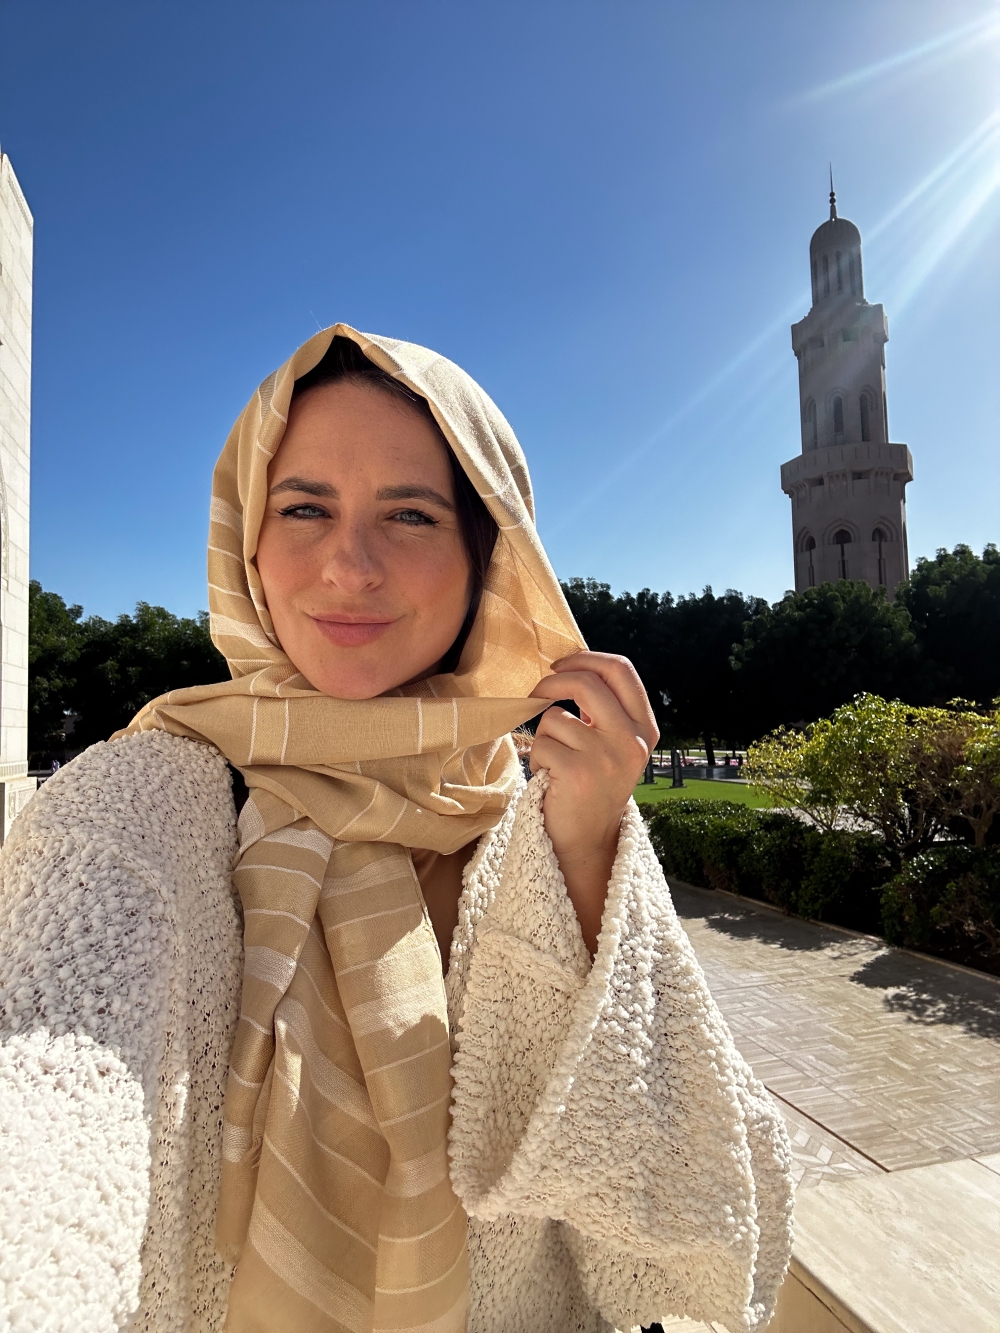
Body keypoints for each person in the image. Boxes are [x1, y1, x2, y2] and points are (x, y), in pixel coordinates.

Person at [0, 327, 793, 1333]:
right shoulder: (143, 799)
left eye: (410, 515)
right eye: (303, 508)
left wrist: (588, 864)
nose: (349, 564)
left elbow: (703, 1210)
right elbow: (52, 1080)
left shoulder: (543, 817)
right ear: (246, 539)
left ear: (487, 557)